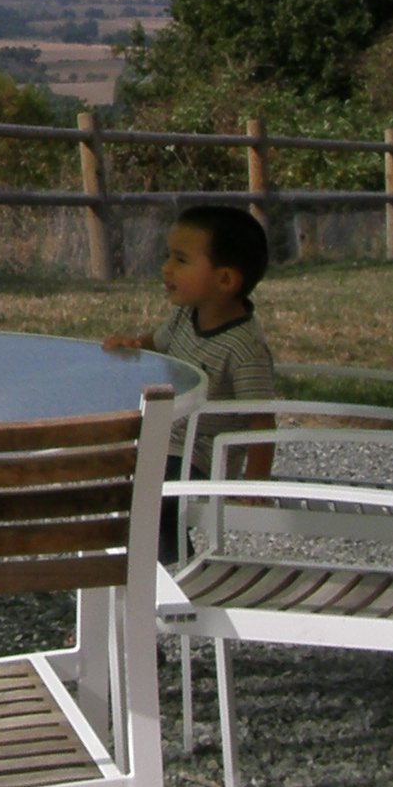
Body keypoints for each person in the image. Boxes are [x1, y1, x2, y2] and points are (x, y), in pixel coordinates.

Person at [104, 202, 276, 542]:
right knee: (122, 478)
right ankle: (142, 562)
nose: (166, 268)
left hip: (202, 454)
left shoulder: (244, 348)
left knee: (154, 497)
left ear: (224, 279)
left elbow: (262, 420)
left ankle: (163, 571)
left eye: (180, 260)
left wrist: (256, 482)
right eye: (169, 257)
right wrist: (134, 344)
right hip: (167, 440)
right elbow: (157, 343)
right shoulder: (185, 316)